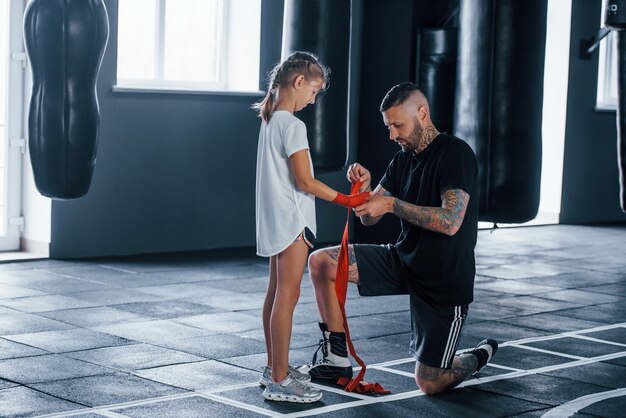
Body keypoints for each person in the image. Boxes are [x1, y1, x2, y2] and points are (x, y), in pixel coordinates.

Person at [299, 82, 498, 395]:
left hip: (443, 280)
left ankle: (474, 358)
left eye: (398, 125)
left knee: (430, 382)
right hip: (402, 260)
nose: (392, 134)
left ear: (422, 113)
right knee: (321, 262)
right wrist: (364, 192)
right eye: (388, 126)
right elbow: (368, 215)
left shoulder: (455, 153)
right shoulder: (402, 160)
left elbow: (450, 222)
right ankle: (336, 358)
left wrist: (391, 204)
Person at [253, 51, 371, 403]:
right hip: (293, 220)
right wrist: (345, 200)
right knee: (287, 296)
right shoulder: (292, 124)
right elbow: (305, 182)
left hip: (277, 218)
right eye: (314, 91)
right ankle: (279, 378)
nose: (313, 99)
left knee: (276, 293)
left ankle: (274, 367)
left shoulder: (271, 119)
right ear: (299, 81)